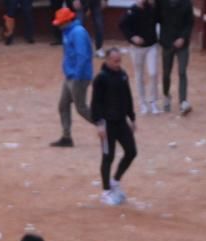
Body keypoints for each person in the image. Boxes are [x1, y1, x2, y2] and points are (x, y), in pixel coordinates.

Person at [90, 47, 136, 205]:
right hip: (107, 125)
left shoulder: (123, 75)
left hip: (121, 122)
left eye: (119, 61)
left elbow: (128, 98)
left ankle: (114, 181)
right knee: (107, 157)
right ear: (107, 60)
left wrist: (132, 118)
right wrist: (99, 124)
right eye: (115, 61)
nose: (118, 64)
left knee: (131, 151)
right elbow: (95, 104)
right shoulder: (100, 79)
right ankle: (105, 191)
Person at [50, 7, 93, 148]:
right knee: (63, 105)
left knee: (81, 108)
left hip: (78, 77)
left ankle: (108, 126)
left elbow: (83, 56)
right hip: (71, 75)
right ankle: (66, 136)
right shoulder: (68, 32)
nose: (59, 25)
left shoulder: (77, 33)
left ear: (67, 21)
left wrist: (77, 75)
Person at [121, 0, 161, 116]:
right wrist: (132, 37)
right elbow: (123, 25)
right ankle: (142, 103)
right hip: (137, 48)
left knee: (153, 73)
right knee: (139, 75)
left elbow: (161, 18)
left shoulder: (152, 8)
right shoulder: (132, 11)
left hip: (151, 45)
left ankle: (152, 101)